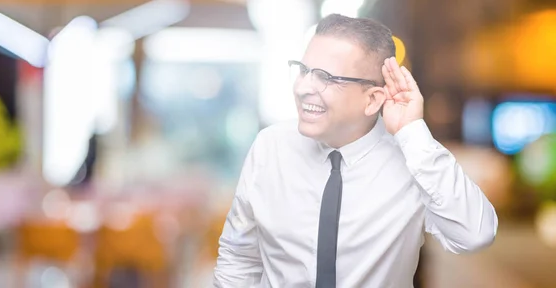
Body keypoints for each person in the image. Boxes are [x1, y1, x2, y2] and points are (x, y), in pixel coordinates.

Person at [213, 14, 498, 288]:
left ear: (373, 99)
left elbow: (475, 234)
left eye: (325, 77)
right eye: (303, 70)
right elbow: (239, 257)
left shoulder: (413, 161)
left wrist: (413, 132)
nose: (303, 87)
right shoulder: (269, 147)